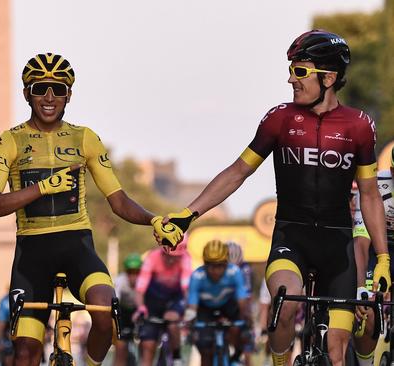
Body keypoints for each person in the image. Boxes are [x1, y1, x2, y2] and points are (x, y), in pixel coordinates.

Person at [153, 30, 389, 366]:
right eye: (292, 69)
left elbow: (369, 195)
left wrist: (383, 258)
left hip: (338, 246)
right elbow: (237, 171)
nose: (291, 79)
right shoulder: (280, 119)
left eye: (300, 71)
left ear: (329, 77)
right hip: (291, 238)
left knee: (337, 353)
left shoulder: (359, 126)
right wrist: (187, 214)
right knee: (284, 303)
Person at [0, 52, 171, 366]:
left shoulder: (85, 138)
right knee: (25, 352)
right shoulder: (8, 141)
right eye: (41, 88)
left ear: (69, 93)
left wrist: (154, 220)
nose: (49, 97)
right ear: (27, 93)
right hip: (32, 255)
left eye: (58, 88)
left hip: (77, 246)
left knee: (104, 313)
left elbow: (119, 201)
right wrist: (41, 188)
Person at [352, 164, 394, 365]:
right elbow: (361, 241)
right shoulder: (375, 183)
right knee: (367, 312)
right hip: (374, 248)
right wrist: (360, 286)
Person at [183, 240, 249, 366]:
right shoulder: (197, 276)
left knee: (240, 329)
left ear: (226, 263)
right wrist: (190, 323)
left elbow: (242, 300)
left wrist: (244, 320)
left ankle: (236, 356)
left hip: (228, 305)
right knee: (205, 349)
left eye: (220, 265)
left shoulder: (235, 272)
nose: (215, 270)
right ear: (204, 263)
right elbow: (192, 305)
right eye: (211, 265)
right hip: (204, 309)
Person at [133, 244, 191, 366]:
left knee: (172, 321)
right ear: (162, 252)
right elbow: (139, 290)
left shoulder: (186, 259)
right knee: (148, 347)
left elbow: (186, 290)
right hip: (153, 301)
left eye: (176, 257)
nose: (171, 260)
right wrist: (141, 308)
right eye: (167, 256)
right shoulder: (152, 257)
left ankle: (176, 357)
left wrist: (187, 311)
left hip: (174, 300)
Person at [225, 241, 254, 366]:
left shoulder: (245, 268)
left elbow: (247, 295)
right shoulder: (216, 267)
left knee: (245, 334)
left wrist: (248, 317)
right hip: (222, 302)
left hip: (239, 303)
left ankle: (242, 357)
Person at [113, 253, 142, 366]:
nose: (133, 276)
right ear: (126, 272)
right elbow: (115, 300)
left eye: (137, 272)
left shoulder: (145, 280)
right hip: (123, 312)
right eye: (130, 272)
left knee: (146, 343)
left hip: (139, 311)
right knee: (121, 346)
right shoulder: (120, 280)